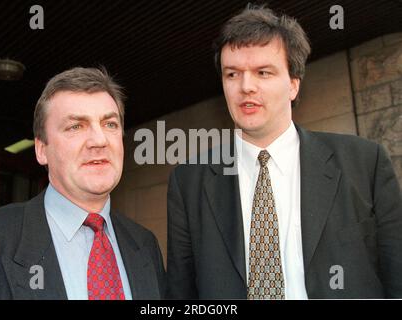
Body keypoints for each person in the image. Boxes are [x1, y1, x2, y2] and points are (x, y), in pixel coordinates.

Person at [166, 5, 402, 299]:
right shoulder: (188, 183)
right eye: (232, 74)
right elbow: (180, 294)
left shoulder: (365, 163)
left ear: (293, 84)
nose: (246, 86)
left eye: (263, 72)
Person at [0, 67, 165, 300]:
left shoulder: (145, 245)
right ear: (42, 149)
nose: (99, 140)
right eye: (76, 126)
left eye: (110, 124)